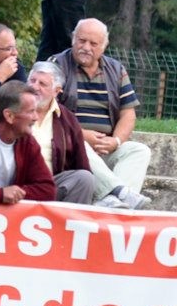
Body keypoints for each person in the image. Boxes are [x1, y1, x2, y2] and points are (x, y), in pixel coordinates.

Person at [49, 18, 151, 209]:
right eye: (82, 40)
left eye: (93, 43)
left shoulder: (116, 69)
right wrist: (81, 135)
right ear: (73, 39)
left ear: (104, 46)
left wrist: (115, 141)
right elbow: (46, 110)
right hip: (69, 146)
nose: (86, 47)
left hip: (104, 147)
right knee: (80, 143)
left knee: (139, 151)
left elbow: (128, 114)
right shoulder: (56, 65)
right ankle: (116, 193)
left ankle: (113, 204)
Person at [26, 61, 95, 204]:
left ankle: (68, 218)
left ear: (56, 91)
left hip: (50, 186)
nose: (35, 87)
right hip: (13, 184)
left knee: (85, 178)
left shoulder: (67, 119)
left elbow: (81, 163)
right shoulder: (9, 107)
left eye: (42, 84)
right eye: (32, 81)